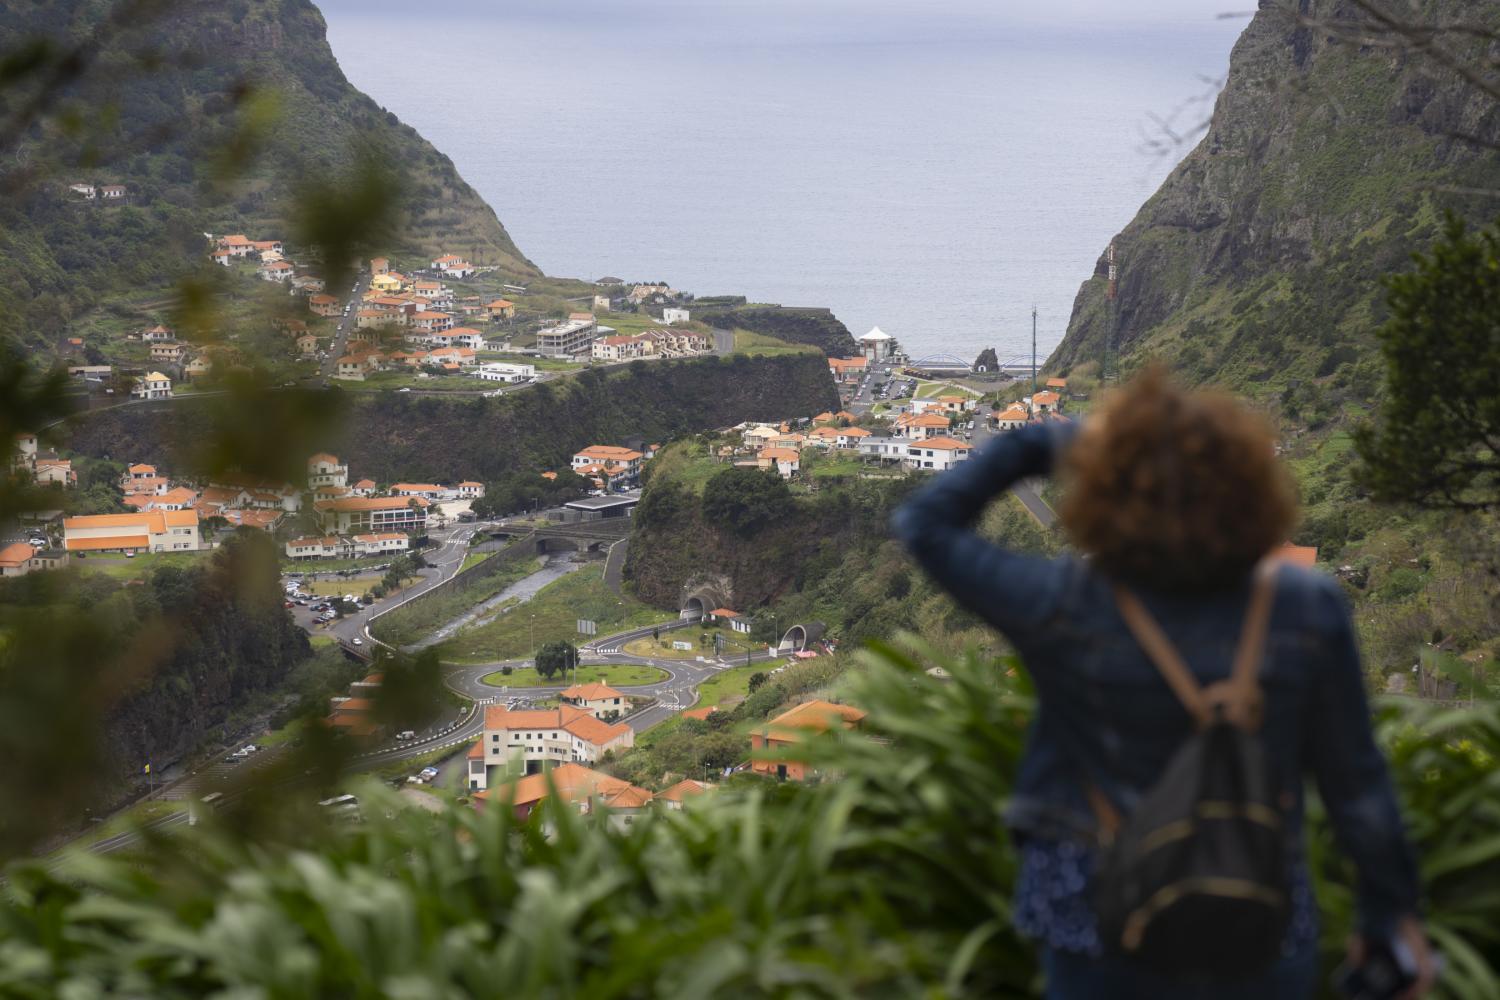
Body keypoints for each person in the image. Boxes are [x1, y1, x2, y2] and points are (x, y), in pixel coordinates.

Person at [891, 368, 1433, 999]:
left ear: (1103, 496)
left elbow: (925, 526)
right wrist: (1389, 918)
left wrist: (1044, 442)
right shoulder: (1304, 606)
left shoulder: (1067, 604)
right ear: (1251, 491)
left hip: (1093, 914)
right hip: (1258, 913)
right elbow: (1357, 784)